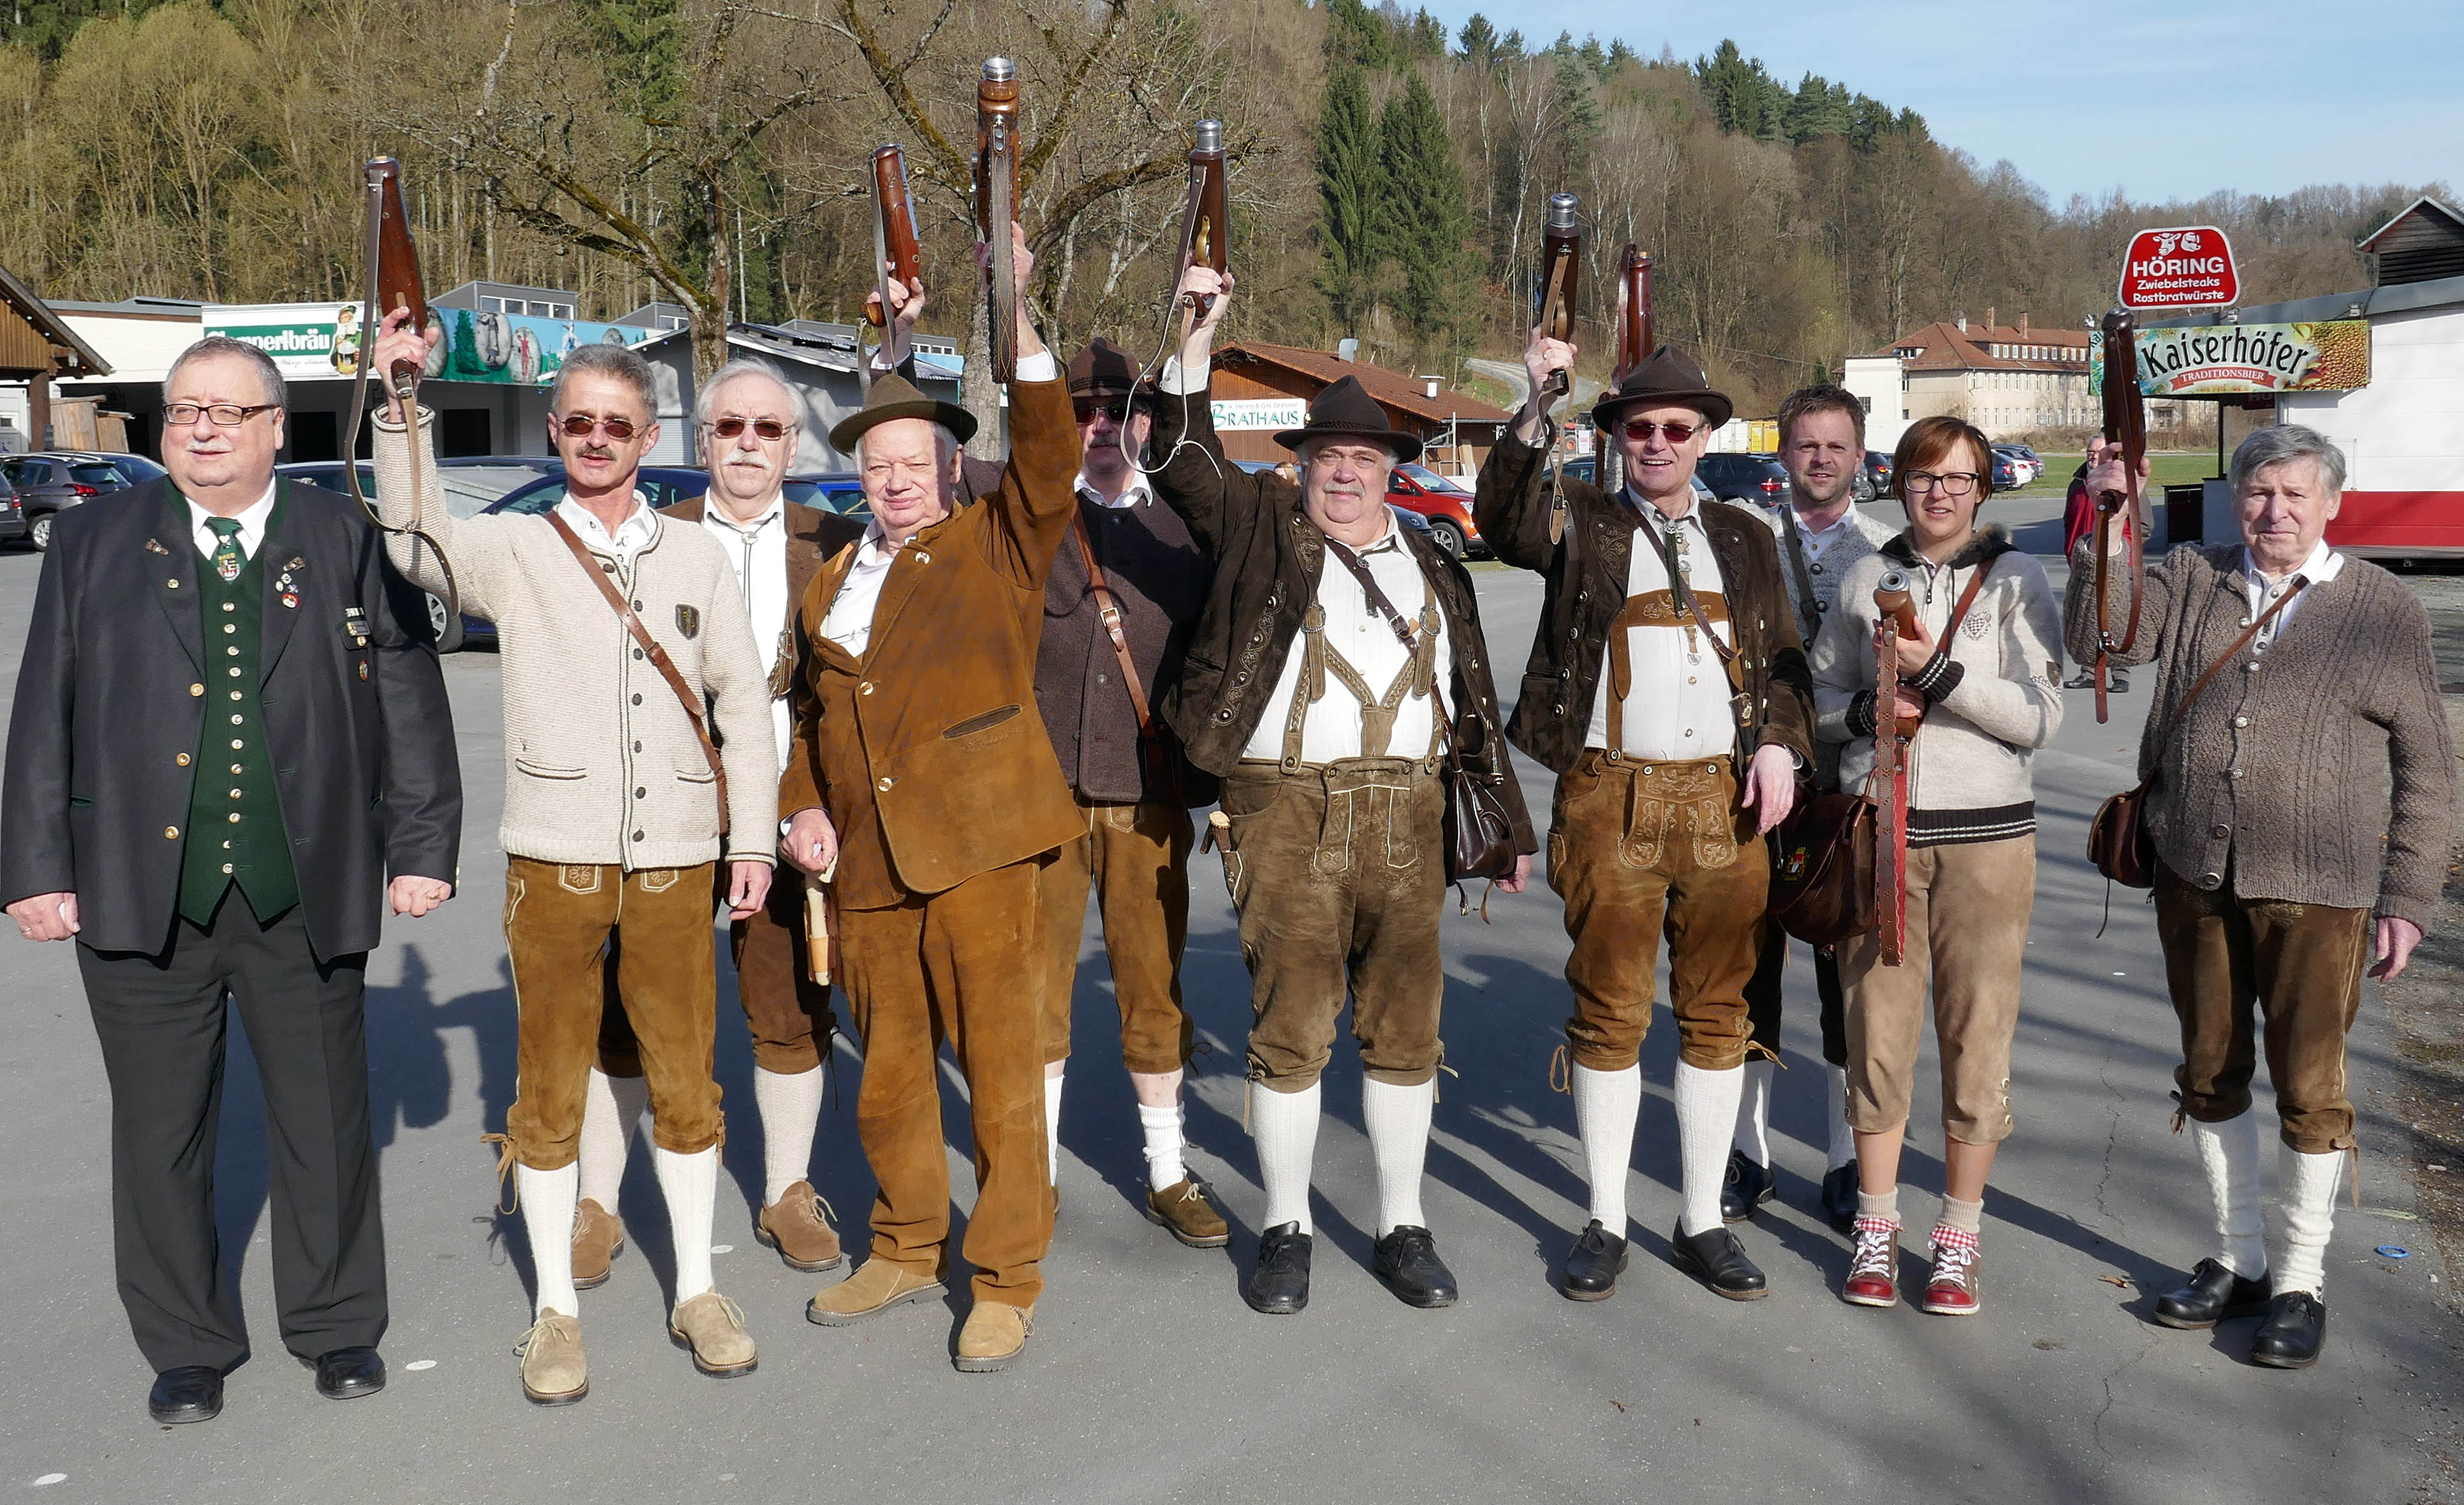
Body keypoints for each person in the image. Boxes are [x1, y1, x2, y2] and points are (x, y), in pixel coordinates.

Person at [1, 335, 461, 1424]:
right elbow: (42, 709)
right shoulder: (96, 539)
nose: (200, 428)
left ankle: (338, 1323)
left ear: (274, 427)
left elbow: (405, 686)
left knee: (326, 1121)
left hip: (303, 884)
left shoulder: (342, 535)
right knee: (158, 1135)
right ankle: (186, 1344)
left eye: (225, 410)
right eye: (182, 411)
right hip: (132, 889)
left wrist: (422, 845)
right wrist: (34, 867)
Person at [367, 316, 781, 1404]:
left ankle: (697, 1286)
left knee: (687, 1080)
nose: (597, 440)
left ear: (648, 437)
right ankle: (554, 1310)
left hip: (677, 862)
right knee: (547, 1091)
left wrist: (749, 843)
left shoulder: (694, 552)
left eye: (618, 425)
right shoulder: (515, 549)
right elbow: (412, 539)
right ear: (554, 432)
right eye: (580, 423)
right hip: (554, 862)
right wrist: (401, 405)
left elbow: (742, 705)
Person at [1151, 263, 1535, 1316]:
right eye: (1327, 458)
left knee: (1408, 1033)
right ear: (1303, 467)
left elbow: (1472, 706)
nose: (1344, 475)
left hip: (1408, 815)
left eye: (1363, 459)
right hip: (1284, 813)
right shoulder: (1261, 536)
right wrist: (1192, 338)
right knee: (1288, 1031)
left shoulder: (1435, 567)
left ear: (1389, 470)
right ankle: (1286, 1226)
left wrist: (1498, 825)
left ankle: (1403, 1223)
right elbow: (1182, 462)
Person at [2069, 423, 2454, 1369]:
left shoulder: (2382, 608)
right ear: (2235, 497)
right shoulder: (2195, 573)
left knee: (2311, 1088)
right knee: (2209, 1072)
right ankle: (2238, 1258)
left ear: (2333, 505)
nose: (2272, 511)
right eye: (2257, 493)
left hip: (2321, 891)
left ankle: (2299, 1281)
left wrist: (2408, 894)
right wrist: (2114, 523)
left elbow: (2429, 769)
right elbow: (2100, 636)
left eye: (2293, 495)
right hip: (2193, 872)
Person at [779, 228, 1074, 1373]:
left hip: (982, 856)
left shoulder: (996, 545)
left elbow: (1046, 455)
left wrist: (1014, 315)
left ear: (949, 466)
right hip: (863, 868)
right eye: (877, 465)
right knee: (889, 1075)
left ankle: (1004, 1275)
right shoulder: (831, 578)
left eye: (914, 461)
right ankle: (905, 1246)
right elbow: (808, 717)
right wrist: (802, 804)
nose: (895, 479)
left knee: (999, 1076)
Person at [1477, 323, 1810, 1304]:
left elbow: (1785, 658)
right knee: (1611, 1010)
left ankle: (1703, 1218)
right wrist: (1538, 406)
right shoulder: (1579, 520)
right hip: (1608, 796)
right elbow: (1501, 518)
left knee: (1719, 1012)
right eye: (1638, 429)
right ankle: (1607, 1219)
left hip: (1724, 801)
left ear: (1705, 436)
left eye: (1675, 427)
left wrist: (1784, 744)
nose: (1656, 443)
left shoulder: (1747, 539)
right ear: (1616, 436)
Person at [573, 358, 867, 1288]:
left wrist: (813, 800)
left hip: (789, 806)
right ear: (701, 442)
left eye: (767, 430)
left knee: (790, 1008)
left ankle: (787, 1189)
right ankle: (595, 1202)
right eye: (730, 428)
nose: (747, 444)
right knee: (624, 1008)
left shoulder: (841, 544)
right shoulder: (647, 535)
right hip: (660, 808)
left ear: (793, 444)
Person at [1812, 415, 2063, 1316]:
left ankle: (1957, 1237)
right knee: (1876, 1037)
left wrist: (1939, 676)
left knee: (1978, 1035)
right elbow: (1823, 700)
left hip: (1990, 845)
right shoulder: (1864, 577)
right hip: (1884, 836)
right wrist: (1876, 711)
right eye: (1925, 477)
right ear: (1901, 485)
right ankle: (1876, 1229)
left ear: (1982, 488)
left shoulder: (2019, 581)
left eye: (1959, 478)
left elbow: (2040, 717)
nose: (1941, 492)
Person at [1030, 337, 1225, 1243]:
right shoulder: (1028, 517)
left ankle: (1166, 1169)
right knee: (1038, 992)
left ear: (1149, 420)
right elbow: (929, 453)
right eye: (1084, 411)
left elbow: (1222, 665)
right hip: (1045, 799)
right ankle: (1034, 1171)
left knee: (1155, 986)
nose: (1103, 425)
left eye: (1121, 409)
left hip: (1149, 799)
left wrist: (1225, 787)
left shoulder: (1185, 529)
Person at [1734, 382, 1898, 1231]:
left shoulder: (1887, 552)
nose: (1821, 458)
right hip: (1753, 786)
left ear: (1861, 455)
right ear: (1785, 452)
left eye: (1837, 445)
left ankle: (1844, 1157)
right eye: (1806, 444)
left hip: (1846, 793)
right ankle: (1748, 1151)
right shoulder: (1743, 541)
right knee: (1745, 975)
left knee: (1849, 987)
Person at [2061, 461, 2128, 691]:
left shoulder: (2123, 485)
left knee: (2115, 619)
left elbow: (2144, 524)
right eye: (2090, 453)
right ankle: (2089, 672)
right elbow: (2069, 520)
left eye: (2098, 453)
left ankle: (2120, 674)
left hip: (2116, 565)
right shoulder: (2078, 485)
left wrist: (2120, 548)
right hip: (2083, 560)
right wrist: (2072, 549)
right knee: (2087, 618)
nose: (2093, 458)